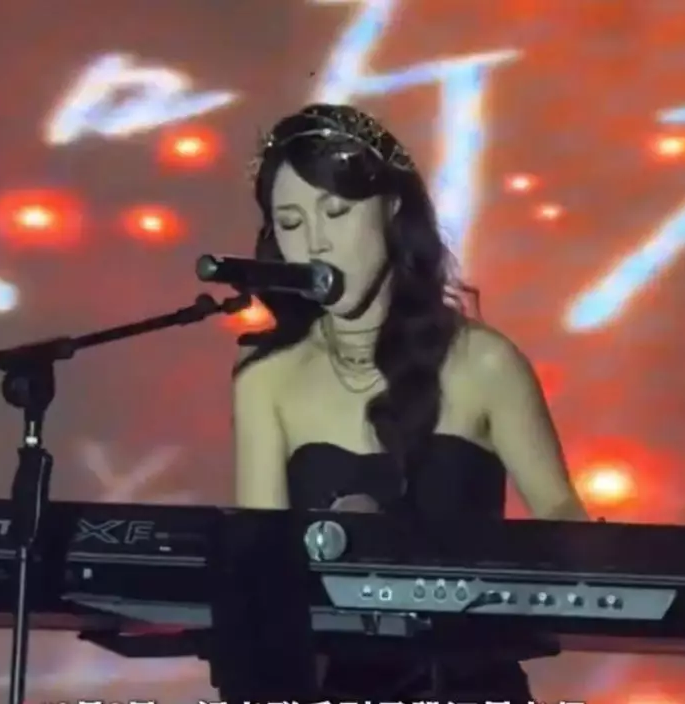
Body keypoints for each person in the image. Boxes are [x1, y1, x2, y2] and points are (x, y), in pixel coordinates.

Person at [232, 103, 587, 702]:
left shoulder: (483, 361)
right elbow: (261, 576)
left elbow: (561, 513)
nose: (315, 242)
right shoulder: (267, 380)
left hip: (473, 684)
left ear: (392, 208)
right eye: (290, 223)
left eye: (336, 213)